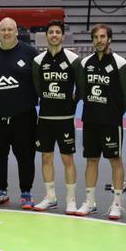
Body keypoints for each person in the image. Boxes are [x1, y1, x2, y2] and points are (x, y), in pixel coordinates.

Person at [0, 17, 39, 209]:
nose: (6, 33)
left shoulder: (30, 53)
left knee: (26, 156)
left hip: (23, 118)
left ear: (16, 31)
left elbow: (39, 81)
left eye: (10, 29)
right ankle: (0, 191)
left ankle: (26, 193)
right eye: (3, 29)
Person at [78, 23, 126, 220]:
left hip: (111, 121)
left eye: (102, 37)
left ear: (109, 39)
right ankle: (90, 202)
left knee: (115, 160)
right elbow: (83, 90)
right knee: (91, 160)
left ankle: (117, 203)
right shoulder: (86, 63)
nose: (99, 40)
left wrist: (115, 112)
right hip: (91, 119)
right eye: (96, 37)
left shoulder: (120, 63)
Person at [32, 20, 84, 214]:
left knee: (67, 158)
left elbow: (81, 86)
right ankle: (50, 197)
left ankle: (71, 199)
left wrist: (73, 101)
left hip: (65, 118)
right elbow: (38, 87)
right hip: (45, 117)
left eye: (57, 32)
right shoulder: (38, 61)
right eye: (51, 32)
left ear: (62, 36)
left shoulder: (73, 59)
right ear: (46, 36)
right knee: (46, 157)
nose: (54, 35)